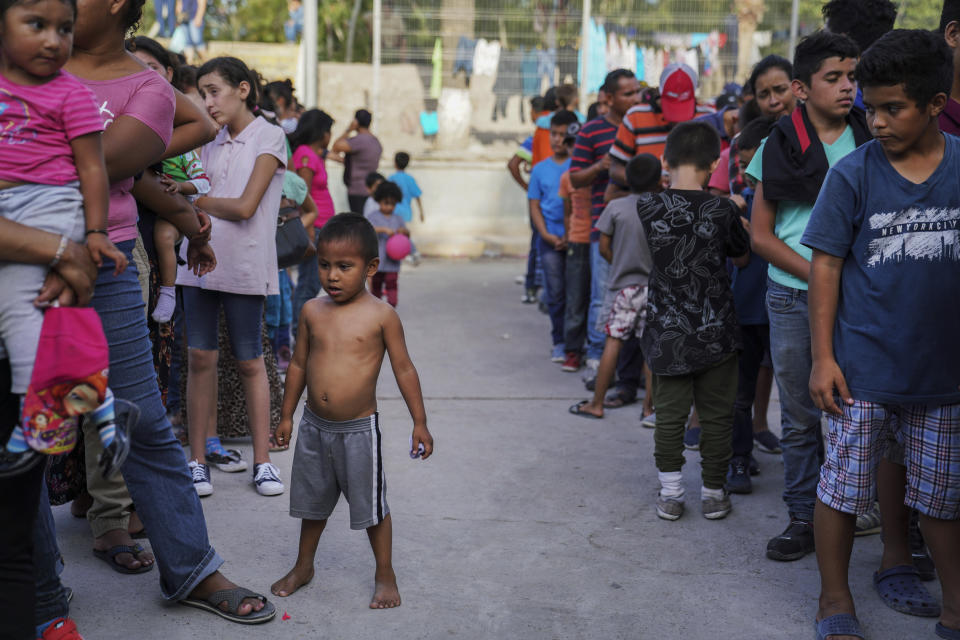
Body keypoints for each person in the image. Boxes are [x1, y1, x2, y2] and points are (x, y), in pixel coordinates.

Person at [64, 0, 274, 625]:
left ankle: (191, 567)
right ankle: (38, 589)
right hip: (17, 258)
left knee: (143, 423)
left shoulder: (143, 87)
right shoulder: (26, 61)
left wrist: (186, 216)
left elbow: (91, 166)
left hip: (106, 268)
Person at [802, 29, 960, 640]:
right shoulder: (853, 175)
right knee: (841, 490)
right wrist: (822, 358)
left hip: (943, 379)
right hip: (859, 372)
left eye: (893, 107)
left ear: (935, 104)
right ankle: (834, 600)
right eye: (871, 107)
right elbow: (826, 265)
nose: (878, 119)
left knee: (943, 502)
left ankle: (953, 609)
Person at [269, 213, 433, 609]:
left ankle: (385, 573)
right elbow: (298, 365)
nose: (333, 276)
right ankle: (304, 565)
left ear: (370, 267)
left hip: (359, 432)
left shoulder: (381, 316)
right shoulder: (312, 311)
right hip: (313, 427)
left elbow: (404, 368)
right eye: (325, 265)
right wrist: (287, 415)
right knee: (312, 504)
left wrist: (420, 422)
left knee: (371, 507)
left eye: (345, 266)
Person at [746, 30, 867, 562]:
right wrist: (822, 275)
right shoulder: (777, 146)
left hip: (861, 298)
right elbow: (761, 236)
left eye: (853, 77)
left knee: (862, 412)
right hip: (794, 298)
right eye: (833, 78)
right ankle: (802, 516)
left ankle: (853, 507)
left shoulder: (869, 136)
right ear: (800, 87)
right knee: (800, 415)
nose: (847, 88)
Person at [0, 0, 127, 470]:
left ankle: (33, 424)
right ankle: (104, 409)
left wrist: (95, 232)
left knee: (19, 310)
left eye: (65, 29)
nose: (54, 40)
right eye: (37, 25)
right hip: (11, 210)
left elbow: (93, 168)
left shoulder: (70, 92)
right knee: (32, 316)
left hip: (47, 205)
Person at [179, 57, 287, 497]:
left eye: (214, 91)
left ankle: (262, 463)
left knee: (249, 361)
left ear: (243, 89)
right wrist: (188, 193)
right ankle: (197, 461)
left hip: (244, 262)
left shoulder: (271, 136)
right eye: (202, 93)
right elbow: (188, 187)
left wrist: (197, 199)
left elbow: (244, 207)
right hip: (198, 261)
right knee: (200, 360)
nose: (208, 101)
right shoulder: (209, 139)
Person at [637, 121, 749, 522]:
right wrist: (737, 214)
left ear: (665, 161)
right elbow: (741, 255)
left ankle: (671, 494)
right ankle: (715, 494)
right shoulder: (722, 208)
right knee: (717, 417)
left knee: (669, 416)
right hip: (716, 331)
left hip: (667, 332)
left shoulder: (647, 206)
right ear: (715, 163)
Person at [568, 154, 660, 419]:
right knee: (650, 349)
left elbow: (605, 247)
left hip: (623, 287)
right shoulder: (661, 208)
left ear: (627, 179)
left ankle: (596, 403)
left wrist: (618, 261)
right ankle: (649, 408)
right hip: (653, 288)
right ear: (658, 181)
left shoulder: (615, 208)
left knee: (613, 342)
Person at [127, 36, 212, 325]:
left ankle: (167, 291)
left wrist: (191, 220)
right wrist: (194, 227)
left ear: (169, 74)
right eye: (136, 66)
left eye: (152, 67)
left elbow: (197, 178)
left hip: (160, 232)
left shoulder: (180, 132)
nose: (145, 75)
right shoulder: (119, 123)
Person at [569, 69, 640, 382]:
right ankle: (598, 361)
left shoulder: (645, 125)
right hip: (606, 228)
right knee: (604, 295)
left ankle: (630, 369)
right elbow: (575, 177)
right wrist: (602, 165)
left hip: (643, 229)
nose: (635, 99)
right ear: (608, 99)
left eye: (637, 92)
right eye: (628, 94)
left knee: (641, 298)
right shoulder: (592, 131)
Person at [724, 117, 777, 495]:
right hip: (745, 307)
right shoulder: (738, 202)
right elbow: (737, 260)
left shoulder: (789, 197)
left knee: (797, 395)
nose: (745, 171)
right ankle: (739, 458)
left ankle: (816, 468)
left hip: (785, 306)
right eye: (740, 164)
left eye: (749, 161)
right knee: (740, 392)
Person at [528, 110, 578, 363]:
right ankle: (559, 341)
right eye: (554, 134)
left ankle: (575, 345)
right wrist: (546, 235)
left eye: (562, 134)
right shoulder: (539, 170)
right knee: (555, 294)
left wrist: (571, 234)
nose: (557, 140)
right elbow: (534, 206)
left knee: (576, 293)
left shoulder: (579, 166)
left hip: (576, 238)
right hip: (548, 241)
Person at [289, 108, 337, 339]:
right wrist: (307, 231)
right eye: (329, 131)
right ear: (321, 132)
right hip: (313, 226)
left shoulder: (314, 153)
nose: (330, 136)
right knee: (307, 284)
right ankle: (300, 336)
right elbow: (302, 196)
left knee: (312, 283)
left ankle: (303, 334)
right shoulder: (305, 155)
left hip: (323, 227)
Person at [557, 127, 593, 372]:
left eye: (577, 144)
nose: (573, 149)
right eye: (570, 145)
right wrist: (568, 237)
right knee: (576, 298)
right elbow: (567, 211)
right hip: (578, 240)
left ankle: (594, 349)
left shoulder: (600, 173)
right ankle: (572, 351)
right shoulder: (567, 177)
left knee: (598, 298)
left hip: (600, 239)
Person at [821, 0, 898, 110]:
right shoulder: (904, 93)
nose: (818, 44)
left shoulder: (831, 103)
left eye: (825, 36)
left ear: (843, 41)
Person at [365, 181, 408, 307]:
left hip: (393, 262)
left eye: (392, 204)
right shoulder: (373, 216)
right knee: (376, 287)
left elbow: (407, 233)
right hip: (378, 259)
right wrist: (383, 229)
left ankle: (391, 306)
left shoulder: (398, 218)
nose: (389, 207)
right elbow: (368, 229)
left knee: (392, 283)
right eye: (386, 203)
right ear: (379, 201)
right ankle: (376, 309)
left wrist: (403, 231)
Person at [333, 109, 383, 213]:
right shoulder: (375, 141)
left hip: (357, 189)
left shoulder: (359, 141)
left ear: (356, 121)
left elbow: (335, 147)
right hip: (372, 189)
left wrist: (349, 129)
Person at [389, 151, 424, 263]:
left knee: (394, 233)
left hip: (393, 211)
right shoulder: (410, 179)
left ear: (395, 163)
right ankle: (409, 252)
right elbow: (417, 196)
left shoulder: (391, 178)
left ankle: (407, 252)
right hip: (407, 212)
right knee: (405, 233)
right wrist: (421, 212)